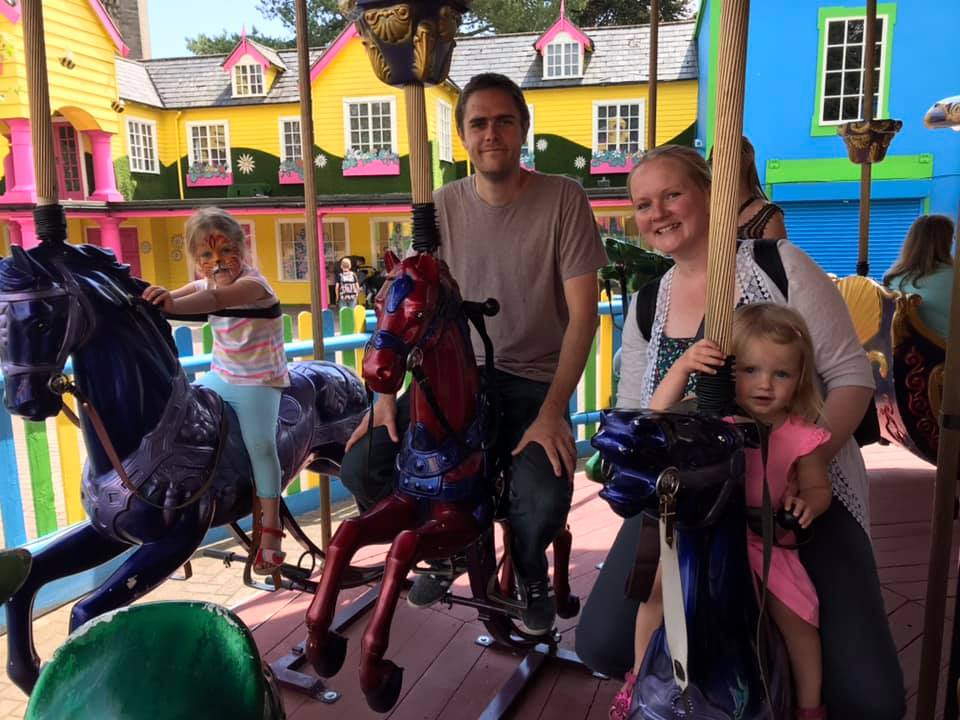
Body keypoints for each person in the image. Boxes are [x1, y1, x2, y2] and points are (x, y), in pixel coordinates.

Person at [576, 145, 905, 718]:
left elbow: (851, 378)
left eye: (672, 194)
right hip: (687, 495)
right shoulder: (650, 303)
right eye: (643, 204)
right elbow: (637, 411)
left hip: (790, 492)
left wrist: (810, 467)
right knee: (603, 641)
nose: (658, 213)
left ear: (712, 195)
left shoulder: (780, 266)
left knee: (871, 698)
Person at [339, 72, 607, 635]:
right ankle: (448, 552)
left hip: (532, 379)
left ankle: (530, 570)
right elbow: (411, 301)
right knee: (365, 465)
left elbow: (583, 314)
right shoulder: (439, 207)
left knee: (539, 489)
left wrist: (555, 409)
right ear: (463, 136)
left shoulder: (563, 198)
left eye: (504, 121)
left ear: (523, 130)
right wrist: (385, 397)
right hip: (454, 378)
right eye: (479, 123)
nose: (492, 134)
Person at [609, 303, 832, 720]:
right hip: (705, 533)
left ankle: (809, 706)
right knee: (657, 594)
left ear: (799, 377)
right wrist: (682, 369)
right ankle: (637, 678)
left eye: (780, 374)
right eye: (750, 371)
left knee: (799, 620)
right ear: (730, 372)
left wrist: (806, 504)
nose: (764, 385)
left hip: (763, 542)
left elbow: (819, 487)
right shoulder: (715, 419)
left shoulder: (801, 435)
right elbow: (655, 421)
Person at [142, 207, 288, 575]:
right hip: (220, 375)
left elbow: (214, 302)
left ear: (242, 248)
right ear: (197, 261)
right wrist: (153, 299)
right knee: (179, 421)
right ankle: (180, 514)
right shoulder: (206, 282)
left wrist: (172, 305)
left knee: (261, 446)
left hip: (259, 380)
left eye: (225, 251)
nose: (218, 262)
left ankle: (270, 530)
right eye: (206, 256)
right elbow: (189, 293)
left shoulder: (255, 286)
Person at [883, 214, 956, 338]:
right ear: (948, 242)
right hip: (948, 354)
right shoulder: (954, 278)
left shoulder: (892, 279)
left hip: (904, 354)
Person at [710, 136, 787, 239]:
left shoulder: (768, 216)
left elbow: (776, 253)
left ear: (747, 158)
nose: (722, 162)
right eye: (716, 157)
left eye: (728, 154)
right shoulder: (707, 210)